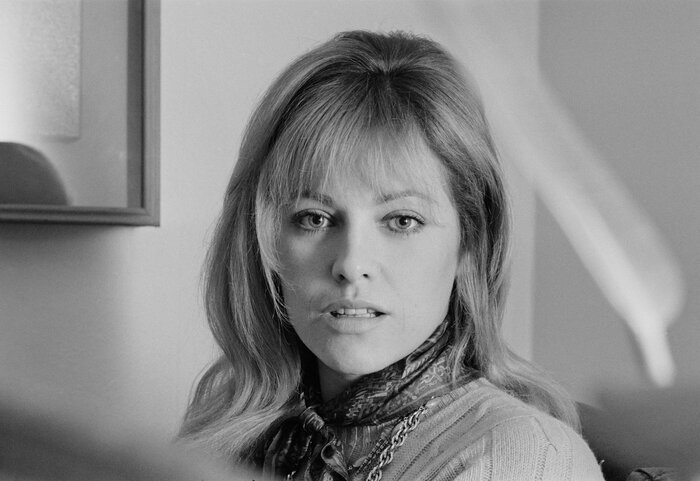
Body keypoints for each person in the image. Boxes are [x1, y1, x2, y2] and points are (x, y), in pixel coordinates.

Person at [179, 30, 604, 481]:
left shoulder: (526, 460)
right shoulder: (228, 432)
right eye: (314, 218)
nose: (350, 264)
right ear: (262, 242)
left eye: (402, 221)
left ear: (471, 243)